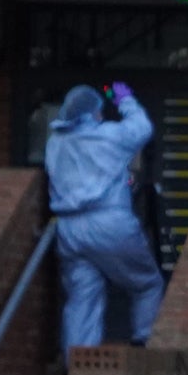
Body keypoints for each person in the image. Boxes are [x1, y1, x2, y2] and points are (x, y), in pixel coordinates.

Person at [44, 81, 165, 354]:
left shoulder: (55, 143)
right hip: (109, 221)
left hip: (69, 228)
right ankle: (142, 343)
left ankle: (74, 370)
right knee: (147, 283)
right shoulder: (108, 136)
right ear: (93, 113)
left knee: (81, 299)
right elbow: (142, 128)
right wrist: (124, 99)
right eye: (99, 111)